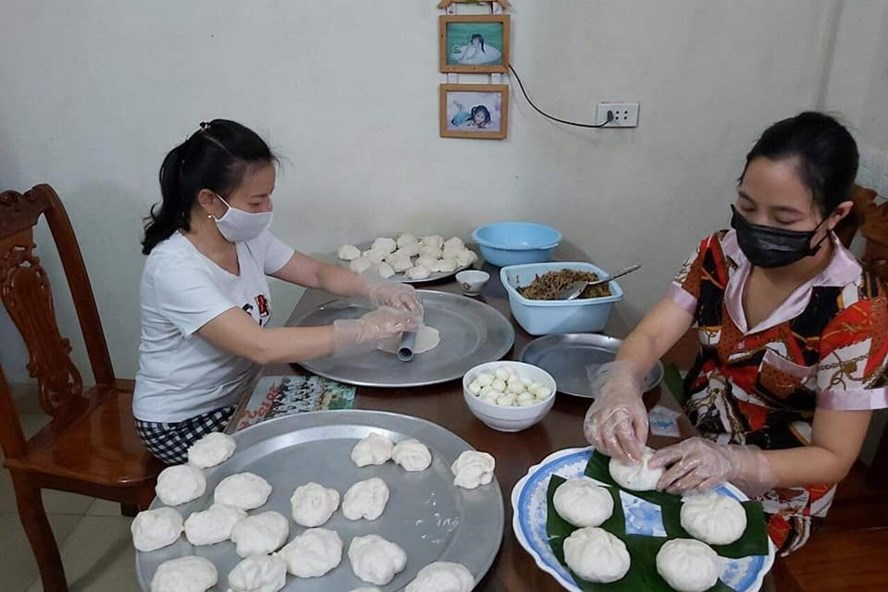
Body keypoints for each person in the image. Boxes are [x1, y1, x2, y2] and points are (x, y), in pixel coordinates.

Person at [583, 112, 888, 555]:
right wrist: (619, 384)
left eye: (784, 218)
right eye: (747, 207)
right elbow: (650, 337)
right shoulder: (720, 254)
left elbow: (833, 456)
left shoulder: (858, 313)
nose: (757, 227)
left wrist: (732, 462)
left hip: (775, 488)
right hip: (689, 436)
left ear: (835, 215)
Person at [134, 119, 422, 464]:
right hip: (184, 420)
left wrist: (378, 288)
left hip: (240, 391)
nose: (267, 210)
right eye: (256, 202)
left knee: (342, 419)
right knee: (310, 459)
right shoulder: (175, 269)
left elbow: (316, 273)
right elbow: (261, 346)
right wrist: (364, 330)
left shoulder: (244, 238)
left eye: (269, 196)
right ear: (210, 201)